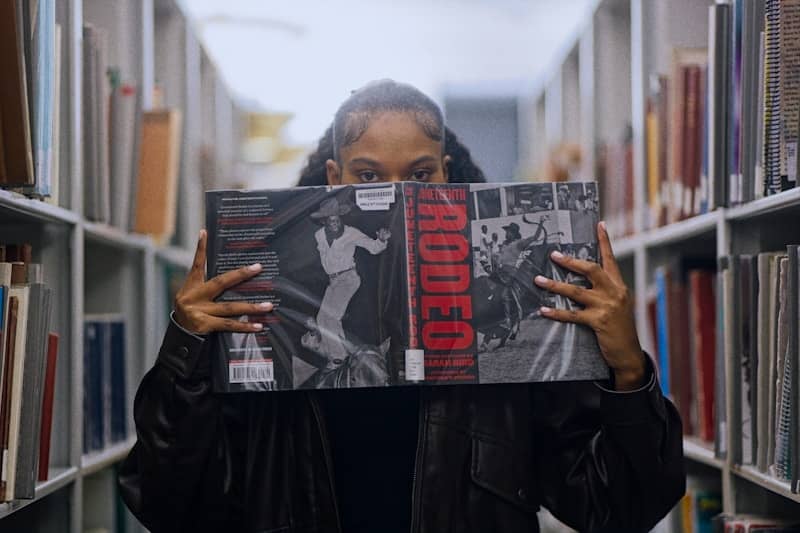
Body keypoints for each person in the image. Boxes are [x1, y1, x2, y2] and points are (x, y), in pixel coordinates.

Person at [119, 79, 685, 533]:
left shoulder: (520, 310)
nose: (397, 194)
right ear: (335, 179)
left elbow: (615, 509)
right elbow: (169, 503)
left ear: (446, 173)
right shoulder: (269, 309)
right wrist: (186, 345)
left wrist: (628, 369)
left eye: (419, 174)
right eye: (369, 175)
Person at [309, 196, 390, 367]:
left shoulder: (351, 233)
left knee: (332, 317)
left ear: (341, 219)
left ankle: (338, 357)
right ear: (324, 221)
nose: (334, 224)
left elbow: (373, 248)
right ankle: (334, 353)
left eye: (337, 220)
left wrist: (382, 240)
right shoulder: (319, 236)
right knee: (322, 319)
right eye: (330, 221)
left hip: (348, 279)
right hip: (332, 282)